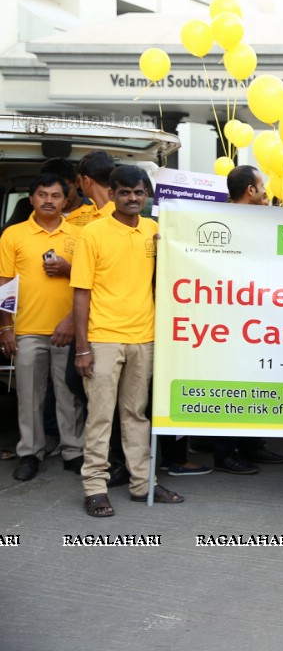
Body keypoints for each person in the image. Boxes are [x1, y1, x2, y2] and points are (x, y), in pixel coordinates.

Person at [73, 166, 183, 516]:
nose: (132, 198)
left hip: (144, 338)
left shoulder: (154, 231)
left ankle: (141, 483)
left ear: (146, 194)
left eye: (138, 192)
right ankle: (94, 487)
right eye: (125, 192)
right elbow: (80, 294)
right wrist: (83, 348)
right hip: (103, 338)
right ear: (113, 194)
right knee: (100, 416)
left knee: (136, 415)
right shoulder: (92, 233)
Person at [0, 174, 85, 480]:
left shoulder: (79, 235)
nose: (48, 200)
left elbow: (89, 282)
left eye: (55, 196)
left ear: (67, 200)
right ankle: (29, 452)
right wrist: (6, 328)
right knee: (29, 395)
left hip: (69, 329)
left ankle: (73, 451)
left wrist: (67, 268)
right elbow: (5, 284)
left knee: (68, 395)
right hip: (27, 329)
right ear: (32, 198)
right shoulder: (13, 235)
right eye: (42, 195)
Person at [208, 165, 283, 475]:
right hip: (228, 318)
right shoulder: (221, 221)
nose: (266, 189)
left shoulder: (263, 219)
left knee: (255, 381)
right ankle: (224, 453)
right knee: (228, 385)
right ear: (250, 190)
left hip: (257, 315)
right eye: (261, 184)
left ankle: (252, 444)